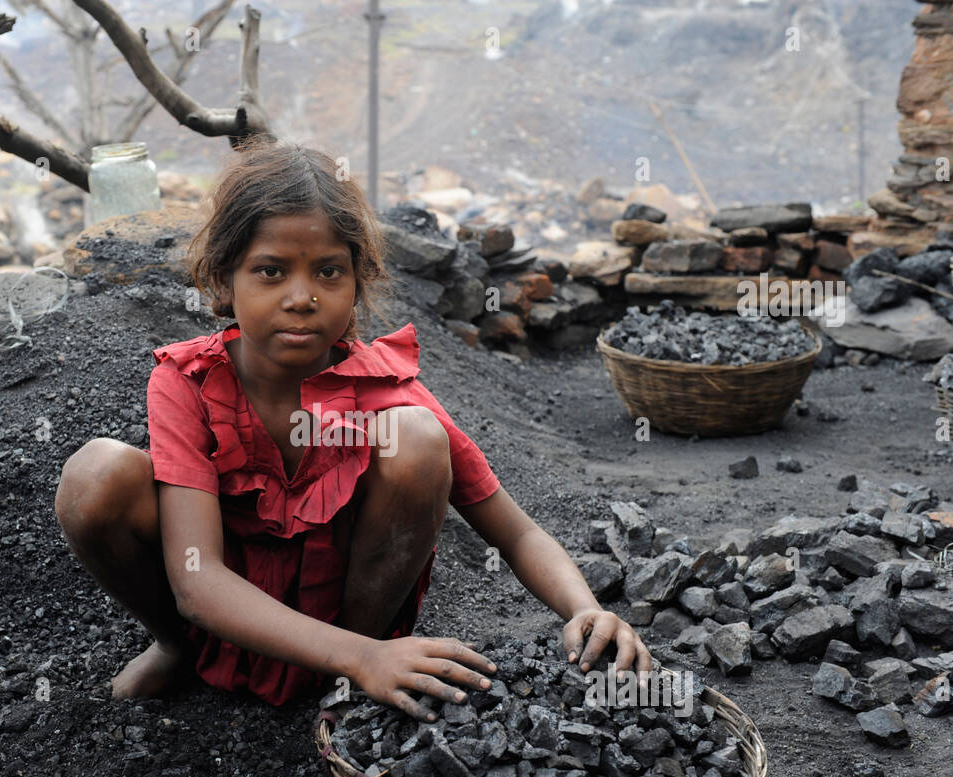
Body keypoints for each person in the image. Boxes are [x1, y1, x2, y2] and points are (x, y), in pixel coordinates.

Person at [54, 140, 652, 723]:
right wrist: (359, 658)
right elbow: (196, 578)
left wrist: (585, 609)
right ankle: (179, 648)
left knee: (415, 437)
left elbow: (516, 534)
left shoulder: (382, 389)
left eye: (329, 272)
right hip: (221, 611)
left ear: (357, 283)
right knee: (95, 476)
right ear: (223, 280)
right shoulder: (187, 382)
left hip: (354, 622)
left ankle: (345, 676)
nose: (302, 297)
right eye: (270, 271)